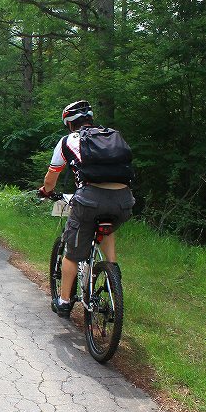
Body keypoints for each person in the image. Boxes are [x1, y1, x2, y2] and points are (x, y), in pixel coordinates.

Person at [38, 100, 135, 317]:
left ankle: (63, 302)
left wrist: (45, 191)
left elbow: (52, 176)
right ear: (90, 118)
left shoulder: (69, 141)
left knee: (72, 254)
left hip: (90, 201)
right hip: (123, 201)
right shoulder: (113, 136)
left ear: (69, 124)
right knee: (106, 229)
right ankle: (113, 275)